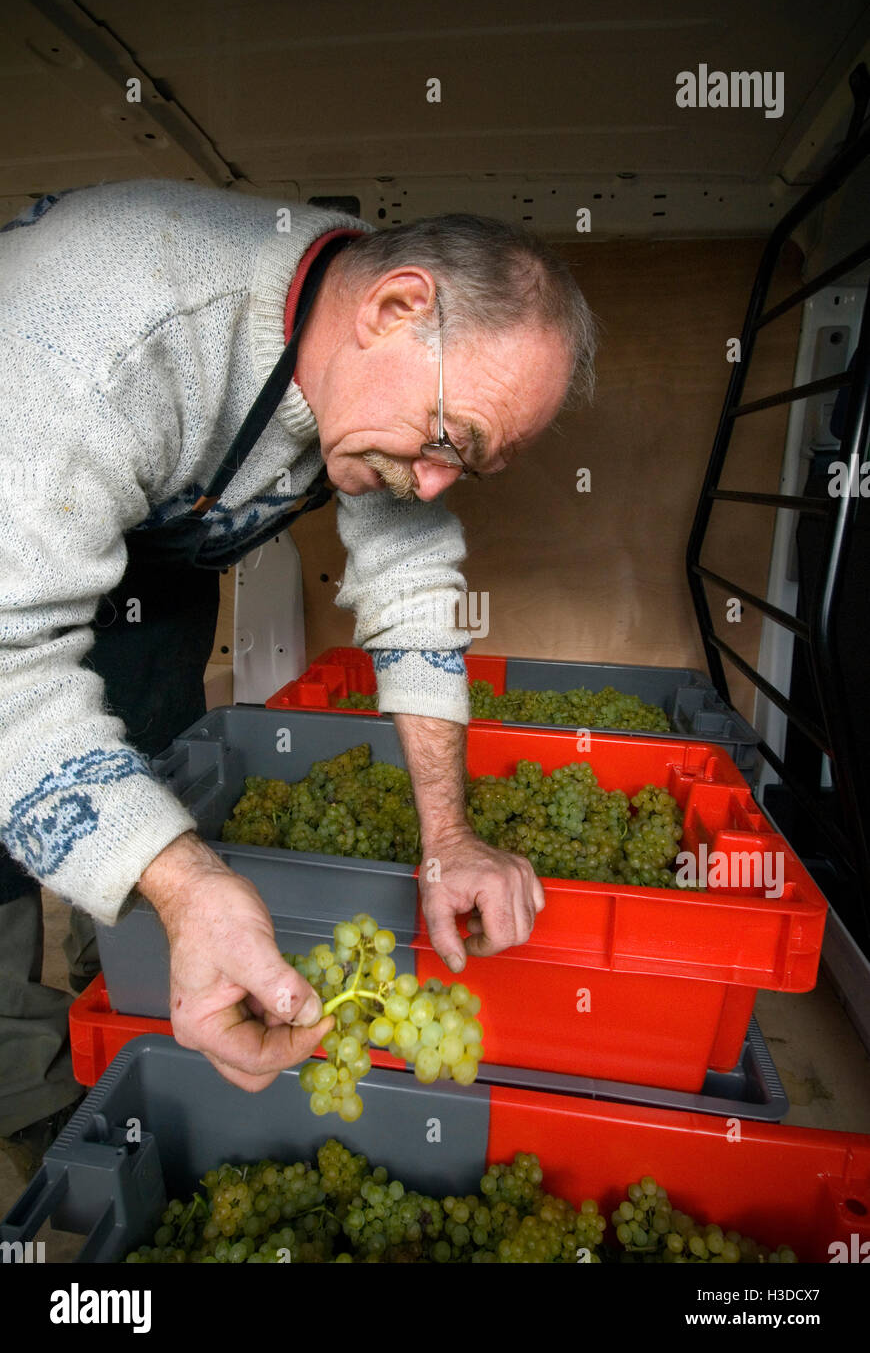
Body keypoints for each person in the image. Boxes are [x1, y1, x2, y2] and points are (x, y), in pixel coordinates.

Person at [0, 180, 597, 1172]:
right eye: (450, 442)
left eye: (471, 469)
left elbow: (410, 581)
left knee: (145, 773)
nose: (441, 480)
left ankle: (132, 999)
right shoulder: (100, 335)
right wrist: (192, 886)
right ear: (394, 308)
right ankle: (25, 1080)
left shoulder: (358, 364)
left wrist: (449, 836)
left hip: (141, 556)